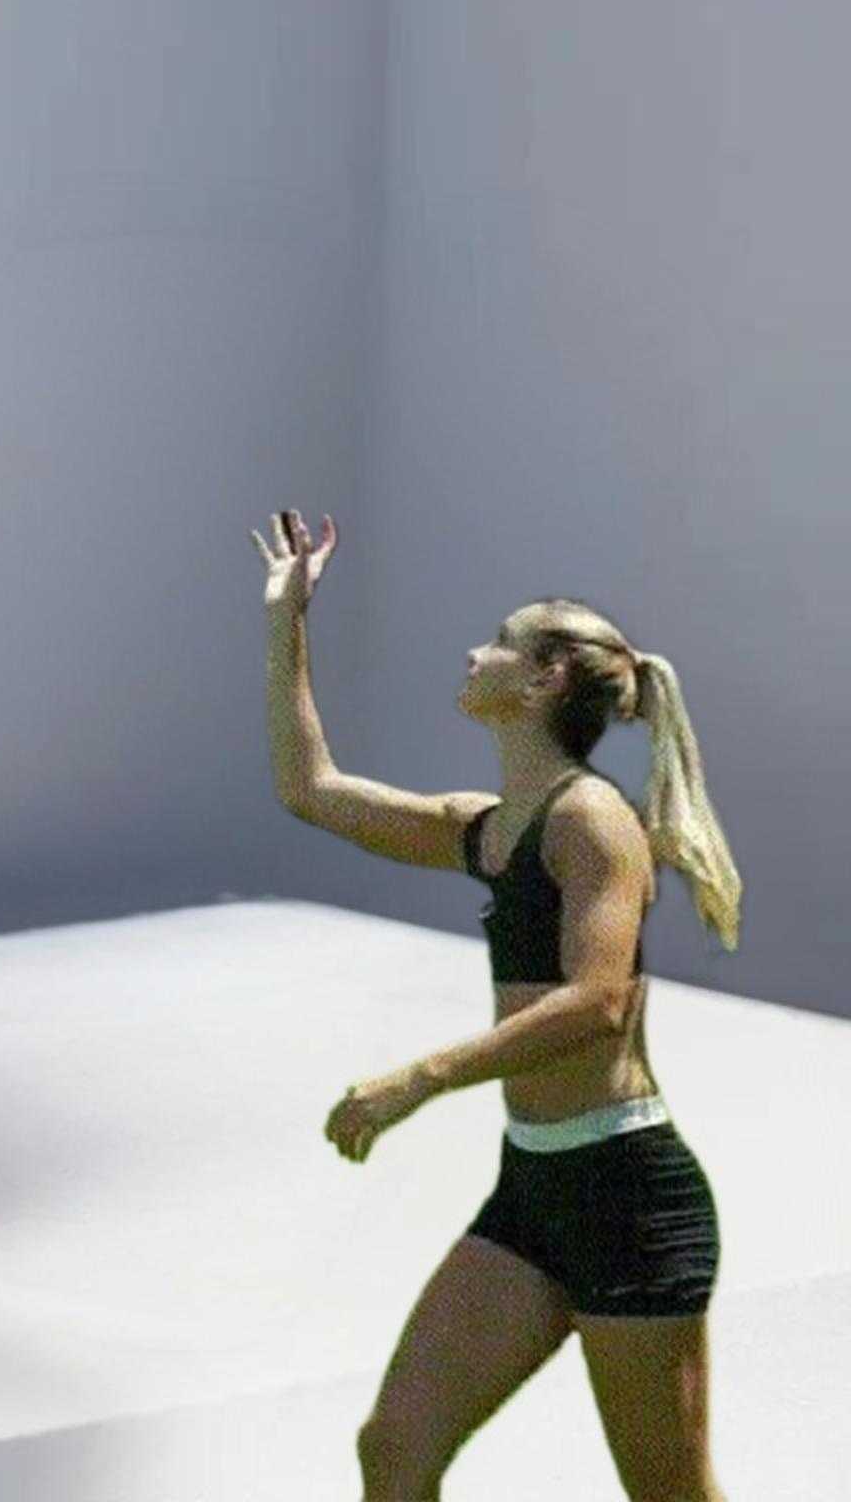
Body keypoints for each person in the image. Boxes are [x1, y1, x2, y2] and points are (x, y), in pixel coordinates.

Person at [250, 507, 737, 1502]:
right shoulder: (491, 827)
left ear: (545, 678)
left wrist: (418, 1078)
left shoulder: (592, 821)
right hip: (533, 1191)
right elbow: (312, 788)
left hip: (628, 1200)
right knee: (394, 1451)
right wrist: (285, 620)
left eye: (499, 643)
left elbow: (597, 1003)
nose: (474, 654)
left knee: (670, 1496)